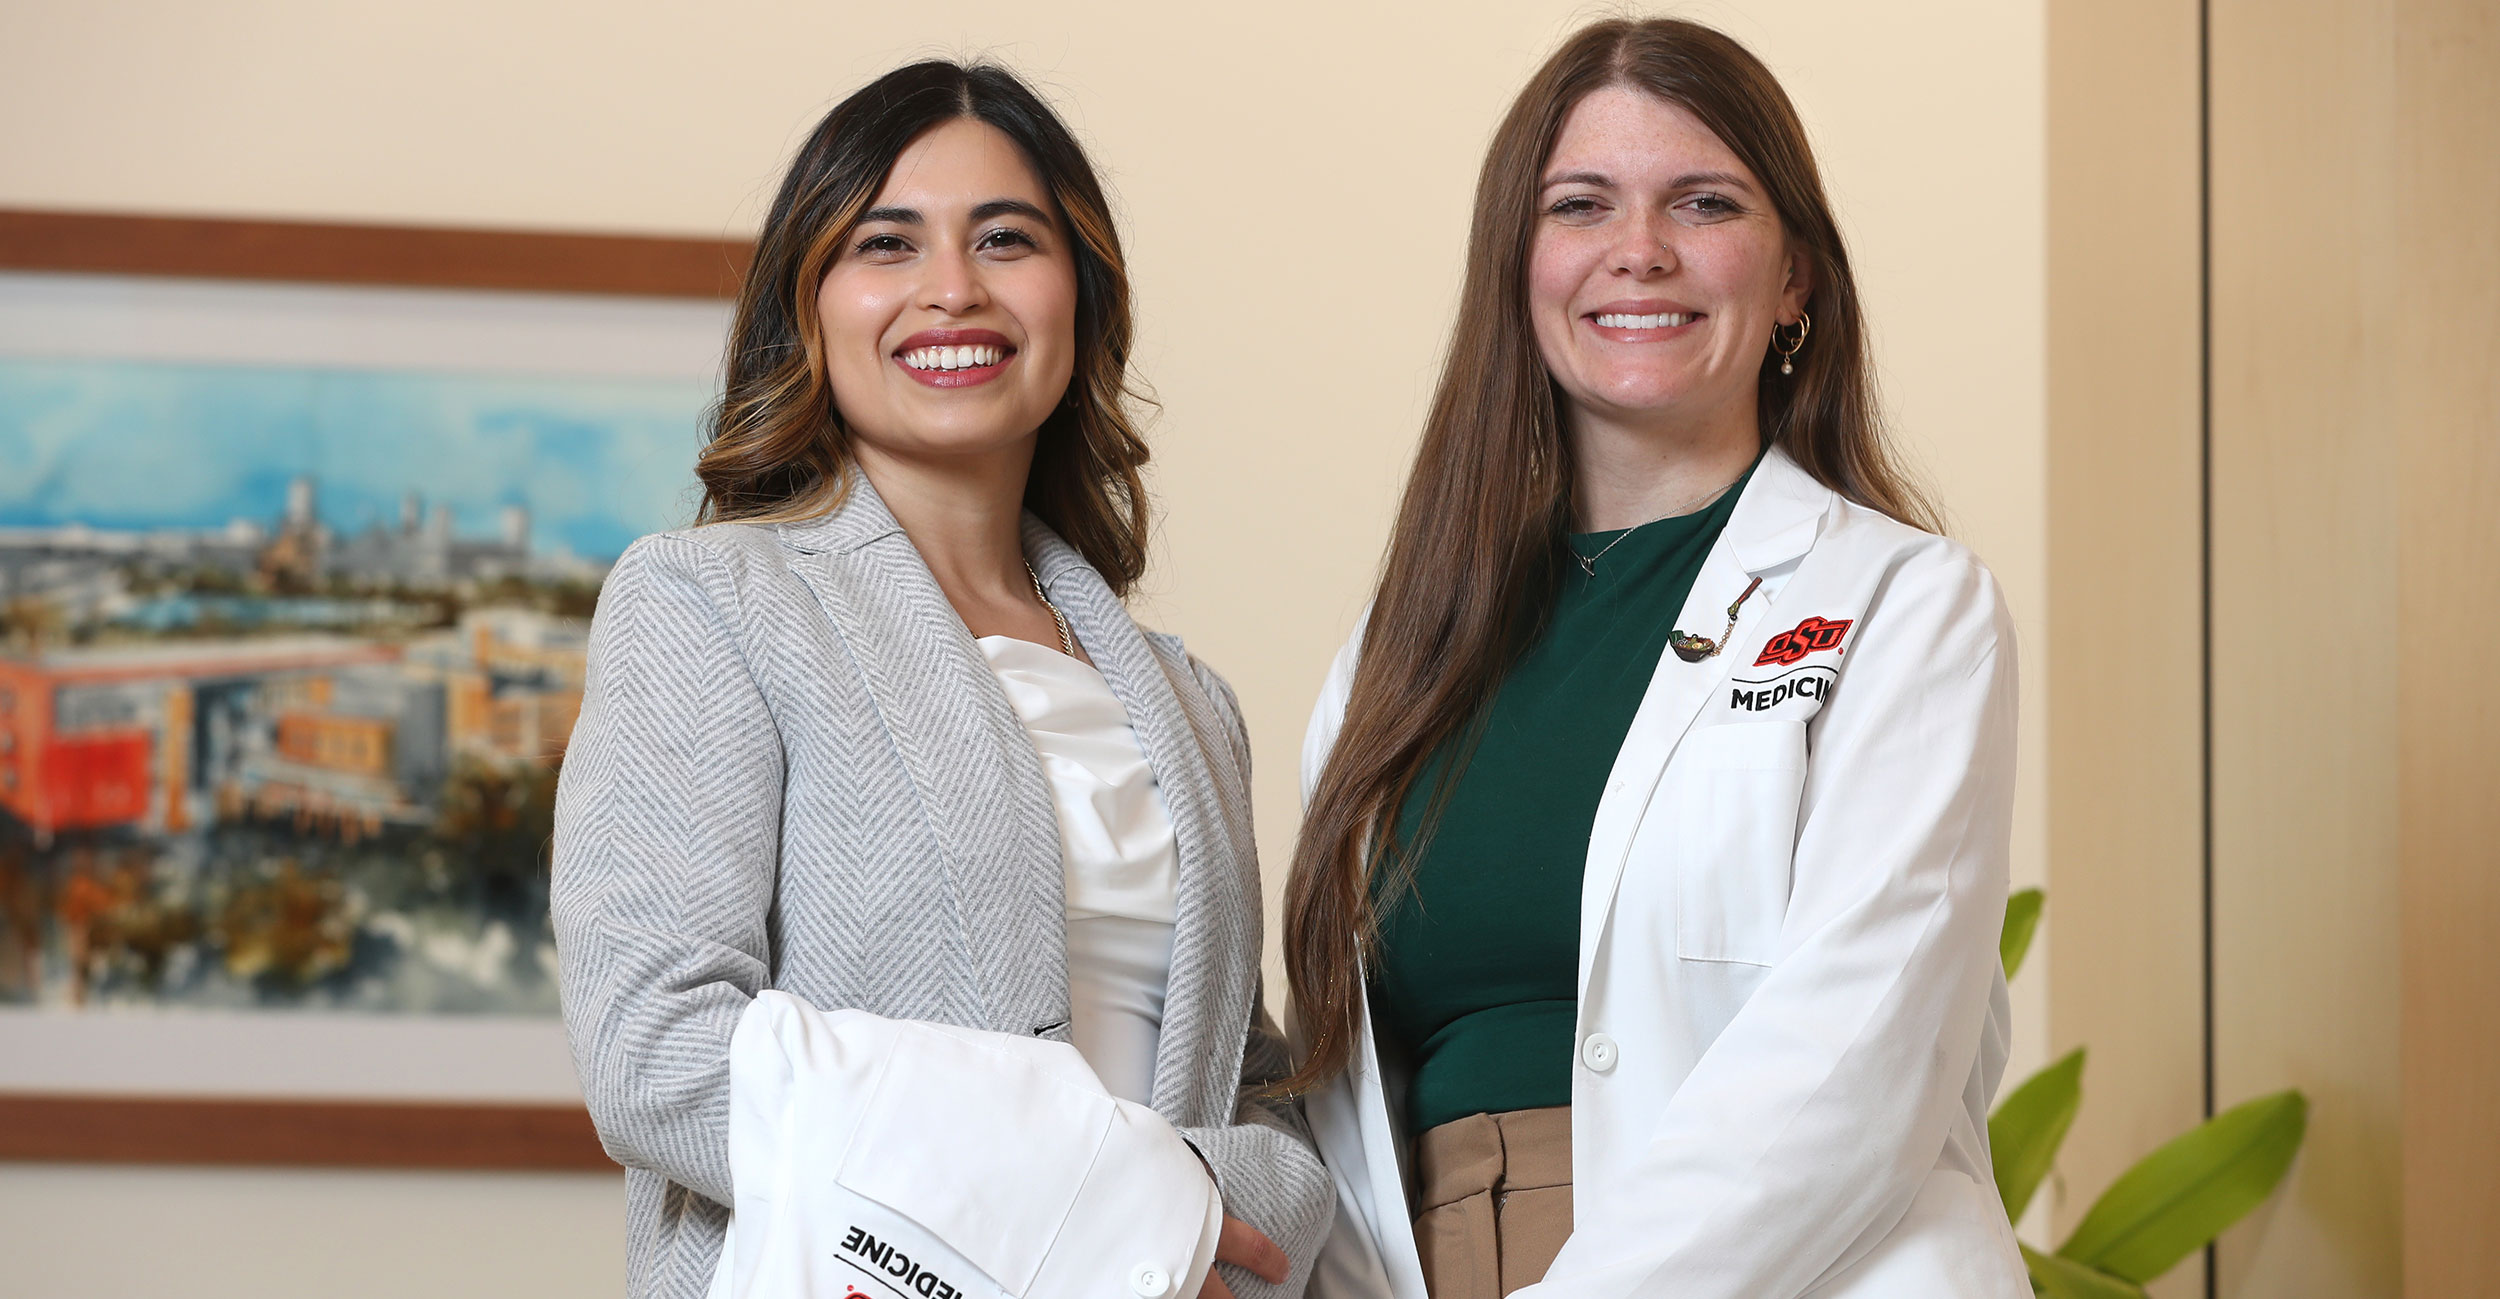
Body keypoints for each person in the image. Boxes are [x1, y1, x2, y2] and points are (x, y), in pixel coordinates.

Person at [552, 60, 1329, 1299]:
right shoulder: (711, 606)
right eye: (887, 244)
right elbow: (658, 1053)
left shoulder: (1188, 705)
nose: (952, 290)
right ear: (808, 306)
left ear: (1079, 294)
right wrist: (1094, 1216)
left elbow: (1259, 1097)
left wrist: (1203, 1227)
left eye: (1006, 239)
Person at [1283, 18, 2028, 1299]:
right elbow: (1345, 1107)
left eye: (1703, 202)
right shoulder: (1394, 662)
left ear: (1795, 275)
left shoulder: (1907, 606)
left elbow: (1856, 1055)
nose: (1639, 251)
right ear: (1519, 267)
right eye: (1582, 205)